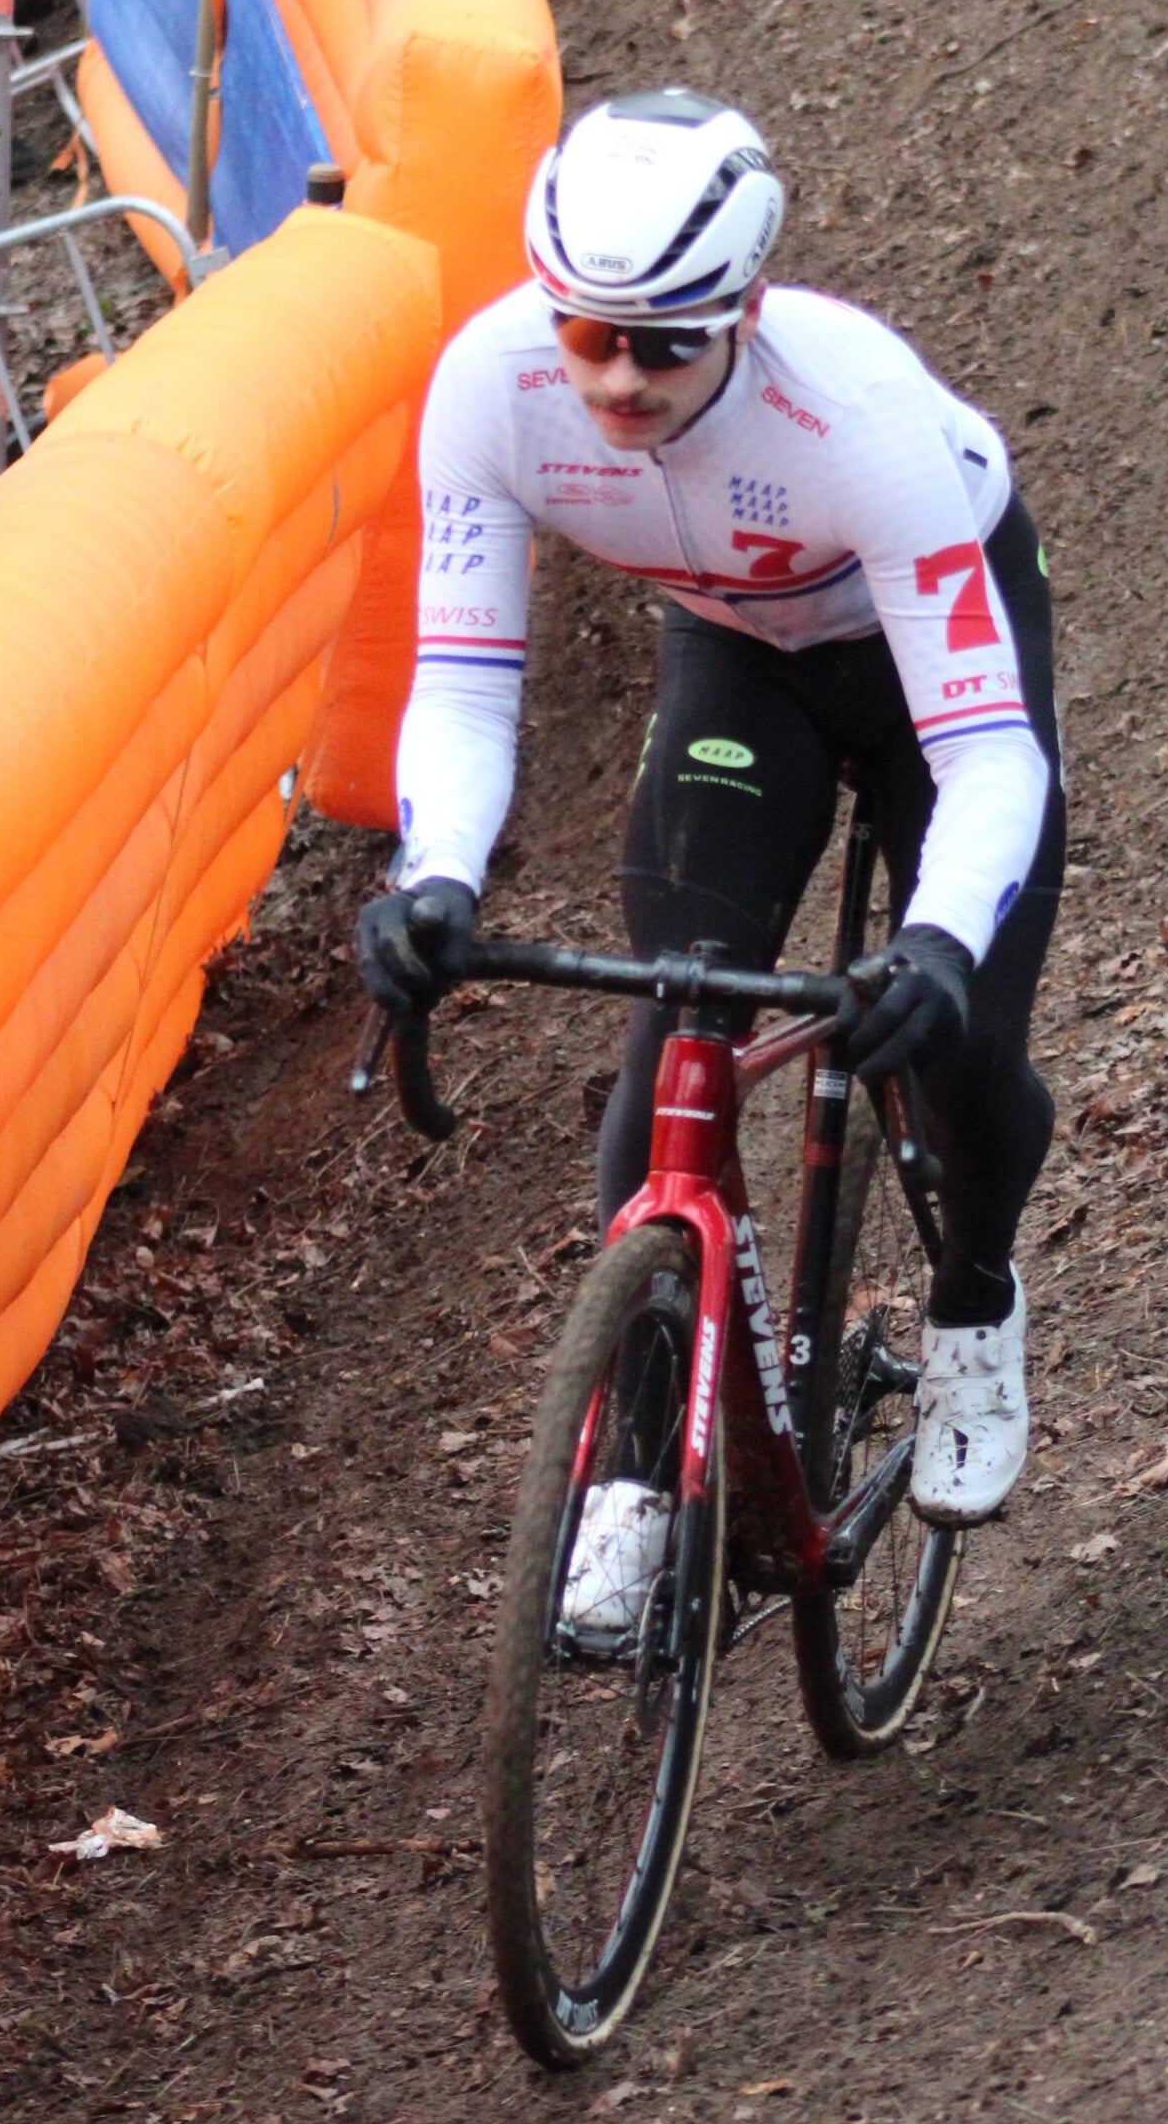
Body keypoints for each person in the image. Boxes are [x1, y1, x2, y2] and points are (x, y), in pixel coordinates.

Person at [357, 89, 1064, 1596]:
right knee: (679, 1021)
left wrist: (938, 942)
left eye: (666, 344)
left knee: (960, 1048)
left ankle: (973, 1298)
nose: (617, 379)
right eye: (587, 333)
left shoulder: (853, 412)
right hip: (739, 655)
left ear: (745, 309)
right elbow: (465, 684)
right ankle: (633, 1467)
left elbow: (987, 750)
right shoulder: (490, 386)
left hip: (927, 672)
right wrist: (436, 874)